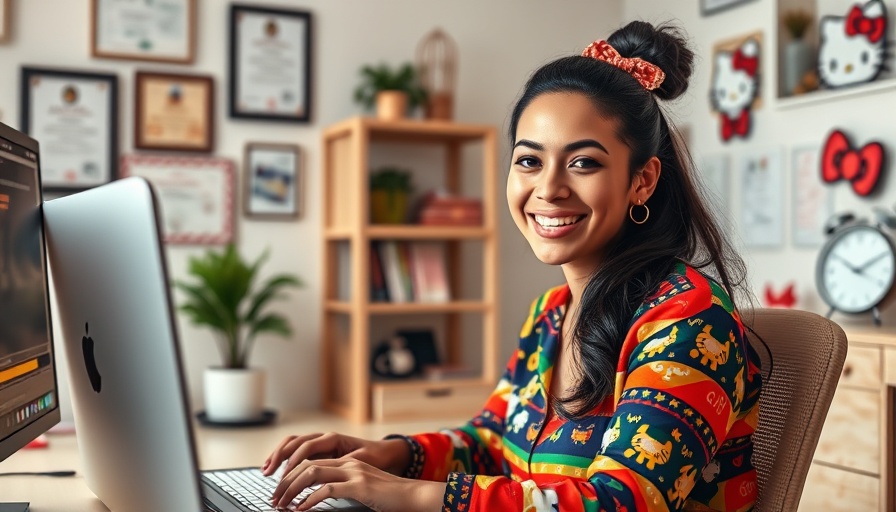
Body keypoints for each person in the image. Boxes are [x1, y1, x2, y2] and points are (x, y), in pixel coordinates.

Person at [263, 20, 763, 512]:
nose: (548, 189)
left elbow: (624, 502)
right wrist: (385, 456)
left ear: (642, 181)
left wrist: (406, 493)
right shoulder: (551, 313)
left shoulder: (689, 317)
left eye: (583, 162)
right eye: (529, 161)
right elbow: (491, 440)